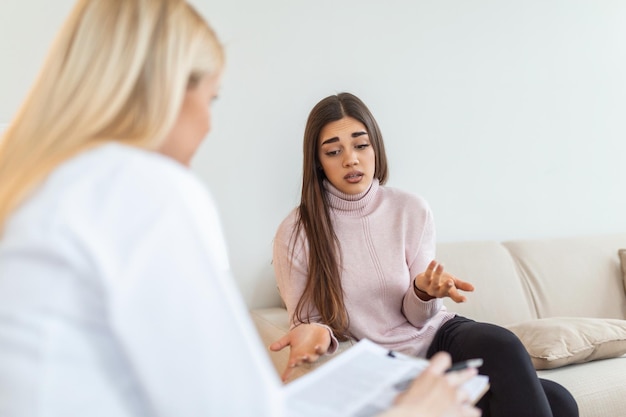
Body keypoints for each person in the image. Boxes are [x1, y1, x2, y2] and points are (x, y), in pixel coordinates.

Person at [0, 1, 479, 416]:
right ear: (164, 93)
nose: (209, 123)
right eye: (211, 98)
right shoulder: (143, 189)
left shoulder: (29, 189)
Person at [271, 92, 580, 417]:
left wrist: (422, 291)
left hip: (438, 337)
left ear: (376, 147)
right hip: (387, 367)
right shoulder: (297, 230)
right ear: (318, 161)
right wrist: (312, 331)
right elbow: (306, 320)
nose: (351, 159)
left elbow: (420, 317)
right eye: (334, 151)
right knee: (557, 403)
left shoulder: (410, 208)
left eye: (361, 145)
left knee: (505, 347)